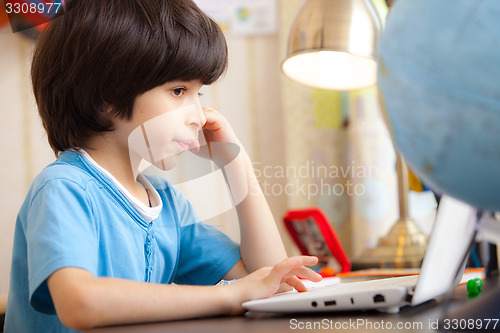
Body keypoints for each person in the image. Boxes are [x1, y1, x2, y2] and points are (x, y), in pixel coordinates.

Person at [4, 0, 322, 331]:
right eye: (179, 90)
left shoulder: (168, 205)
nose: (199, 116)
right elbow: (79, 303)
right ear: (106, 97)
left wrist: (235, 161)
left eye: (200, 94)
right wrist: (230, 296)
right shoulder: (64, 189)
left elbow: (273, 283)